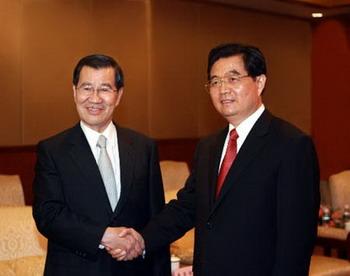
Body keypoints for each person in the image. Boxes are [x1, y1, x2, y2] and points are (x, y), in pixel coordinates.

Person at [117, 43, 320, 275]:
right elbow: (186, 208)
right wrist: (142, 239)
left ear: (260, 82)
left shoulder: (290, 145)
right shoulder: (208, 147)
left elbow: (296, 239)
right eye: (215, 81)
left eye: (233, 79)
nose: (223, 89)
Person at [32, 54, 170, 276]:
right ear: (74, 92)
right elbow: (48, 215)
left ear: (118, 95)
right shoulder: (53, 150)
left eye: (105, 89)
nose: (95, 98)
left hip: (134, 270)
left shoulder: (144, 147)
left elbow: (156, 217)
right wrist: (104, 235)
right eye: (87, 88)